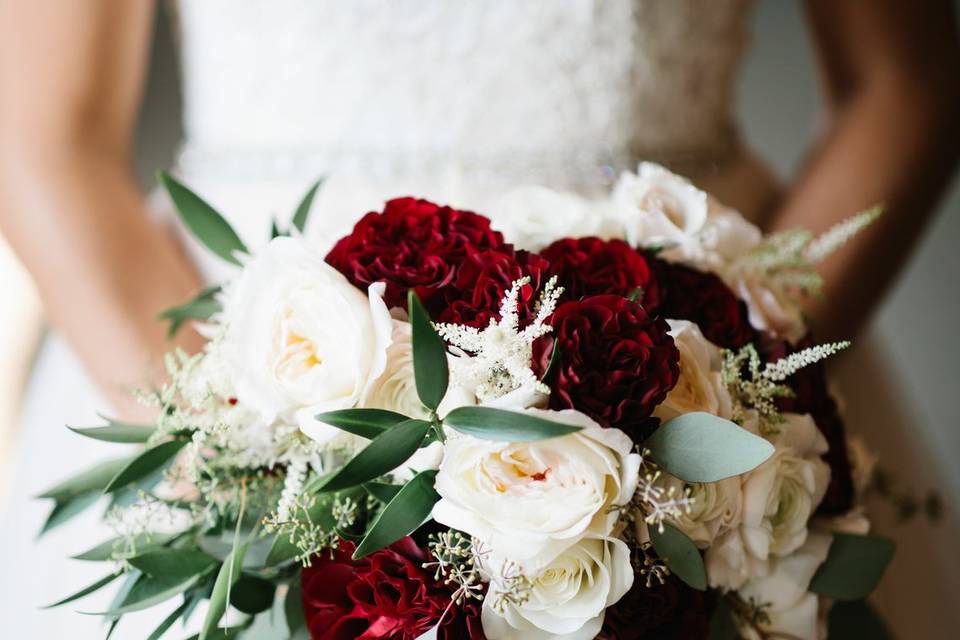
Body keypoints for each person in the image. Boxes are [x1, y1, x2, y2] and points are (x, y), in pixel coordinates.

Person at [0, 1, 957, 638]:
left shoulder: (706, 414)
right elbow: (43, 139)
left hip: (682, 355)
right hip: (242, 358)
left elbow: (904, 85)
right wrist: (245, 479)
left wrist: (719, 427)